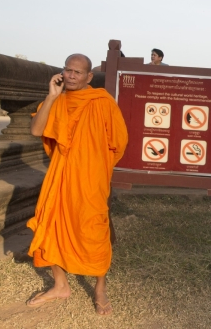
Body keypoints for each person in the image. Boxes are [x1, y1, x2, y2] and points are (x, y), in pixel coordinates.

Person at [26, 54, 128, 315]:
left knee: (94, 227)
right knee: (52, 223)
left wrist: (97, 164)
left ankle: (99, 289)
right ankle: (60, 285)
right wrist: (51, 96)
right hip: (61, 173)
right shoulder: (57, 100)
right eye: (67, 70)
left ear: (88, 77)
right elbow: (37, 130)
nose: (71, 76)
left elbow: (118, 142)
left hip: (91, 176)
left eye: (77, 72)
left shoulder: (102, 102)